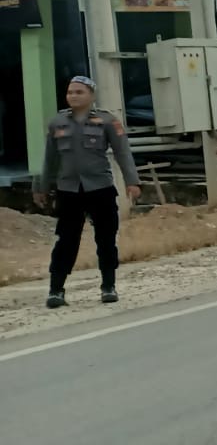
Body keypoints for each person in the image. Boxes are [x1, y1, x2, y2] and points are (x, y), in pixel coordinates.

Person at [33, 75, 141, 308]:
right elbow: (49, 158)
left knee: (106, 239)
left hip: (100, 188)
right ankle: (56, 290)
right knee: (66, 241)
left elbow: (123, 152)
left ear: (91, 95)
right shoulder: (57, 122)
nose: (73, 96)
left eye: (79, 92)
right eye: (70, 92)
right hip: (68, 191)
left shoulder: (107, 121)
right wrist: (41, 186)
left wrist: (133, 182)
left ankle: (108, 286)